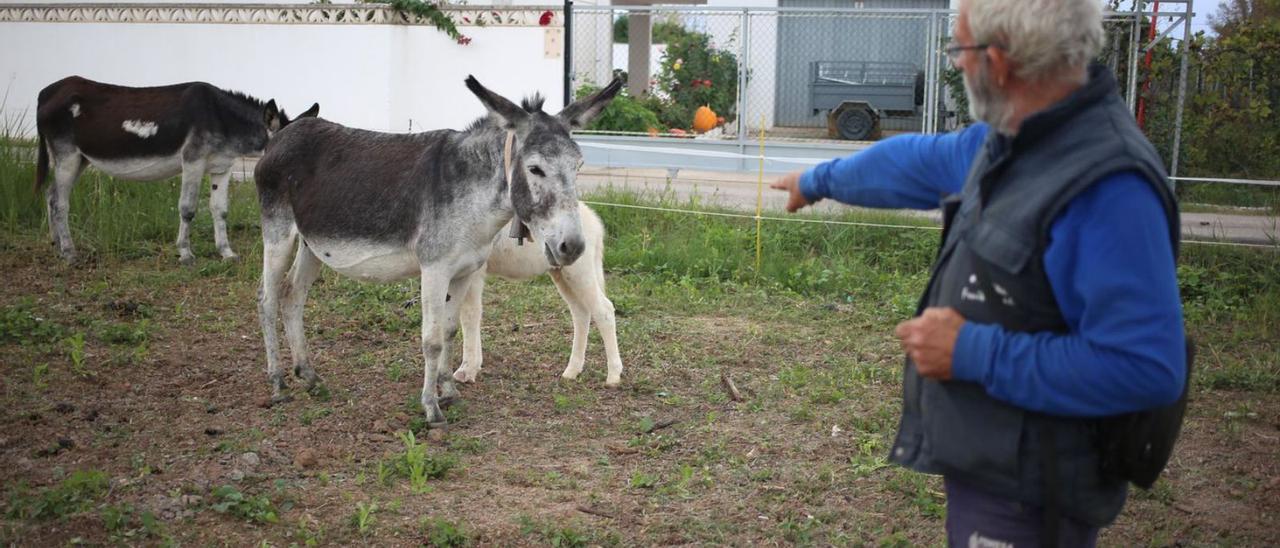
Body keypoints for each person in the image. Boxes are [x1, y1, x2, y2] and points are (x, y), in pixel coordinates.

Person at [771, 0, 1186, 545]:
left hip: (1034, 492)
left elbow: (1145, 368)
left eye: (959, 50)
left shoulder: (1107, 183)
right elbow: (914, 161)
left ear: (998, 61)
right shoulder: (1016, 139)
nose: (958, 64)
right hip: (996, 467)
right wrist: (819, 179)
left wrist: (971, 352)